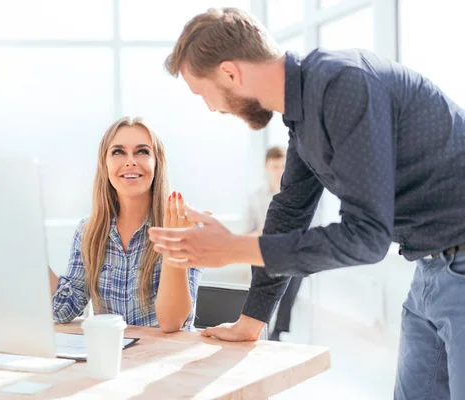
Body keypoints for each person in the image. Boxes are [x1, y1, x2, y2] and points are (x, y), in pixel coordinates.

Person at [147, 7, 465, 399]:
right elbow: (288, 213)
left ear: (230, 72)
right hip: (432, 270)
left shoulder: (346, 85)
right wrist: (251, 321)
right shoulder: (303, 116)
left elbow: (366, 237)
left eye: (204, 94)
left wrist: (234, 248)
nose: (213, 108)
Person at [48, 116, 202, 333]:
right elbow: (63, 309)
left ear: (157, 163)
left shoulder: (185, 226)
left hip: (167, 358)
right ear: (105, 164)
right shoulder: (88, 231)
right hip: (112, 354)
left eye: (142, 151)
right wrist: (31, 250)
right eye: (118, 152)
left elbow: (172, 323)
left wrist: (173, 245)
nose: (130, 161)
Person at [244, 146, 300, 341]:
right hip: (264, 252)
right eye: (275, 166)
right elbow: (246, 236)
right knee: (259, 266)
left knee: (292, 271)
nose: (279, 171)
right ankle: (260, 322)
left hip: (291, 253)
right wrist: (261, 231)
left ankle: (278, 330)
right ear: (266, 167)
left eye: (283, 166)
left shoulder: (297, 196)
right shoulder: (255, 198)